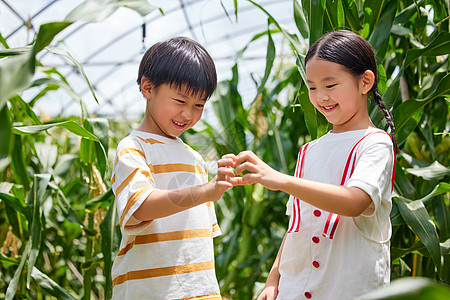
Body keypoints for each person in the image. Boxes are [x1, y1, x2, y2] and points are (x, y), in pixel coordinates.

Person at [220, 30, 398, 299]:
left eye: (330, 85)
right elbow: (297, 227)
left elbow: (356, 202)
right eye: (312, 87)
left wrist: (280, 179)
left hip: (346, 290)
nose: (320, 97)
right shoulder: (309, 151)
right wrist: (272, 281)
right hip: (294, 289)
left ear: (365, 82)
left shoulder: (375, 143)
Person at [110, 36, 232, 299]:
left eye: (198, 105)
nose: (188, 114)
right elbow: (140, 206)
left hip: (200, 291)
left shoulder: (194, 158)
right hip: (151, 291)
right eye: (180, 101)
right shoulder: (134, 148)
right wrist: (206, 191)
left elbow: (197, 243)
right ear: (148, 87)